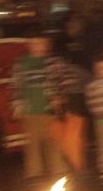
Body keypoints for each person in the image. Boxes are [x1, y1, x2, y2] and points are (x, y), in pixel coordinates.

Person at [10, 34, 66, 179]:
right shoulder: (21, 63)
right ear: (29, 44)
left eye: (42, 44)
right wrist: (17, 105)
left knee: (53, 141)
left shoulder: (54, 62)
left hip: (49, 109)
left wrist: (59, 98)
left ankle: (58, 169)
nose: (38, 47)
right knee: (32, 144)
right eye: (35, 43)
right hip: (29, 111)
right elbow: (16, 85)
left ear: (48, 44)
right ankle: (34, 172)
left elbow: (61, 81)